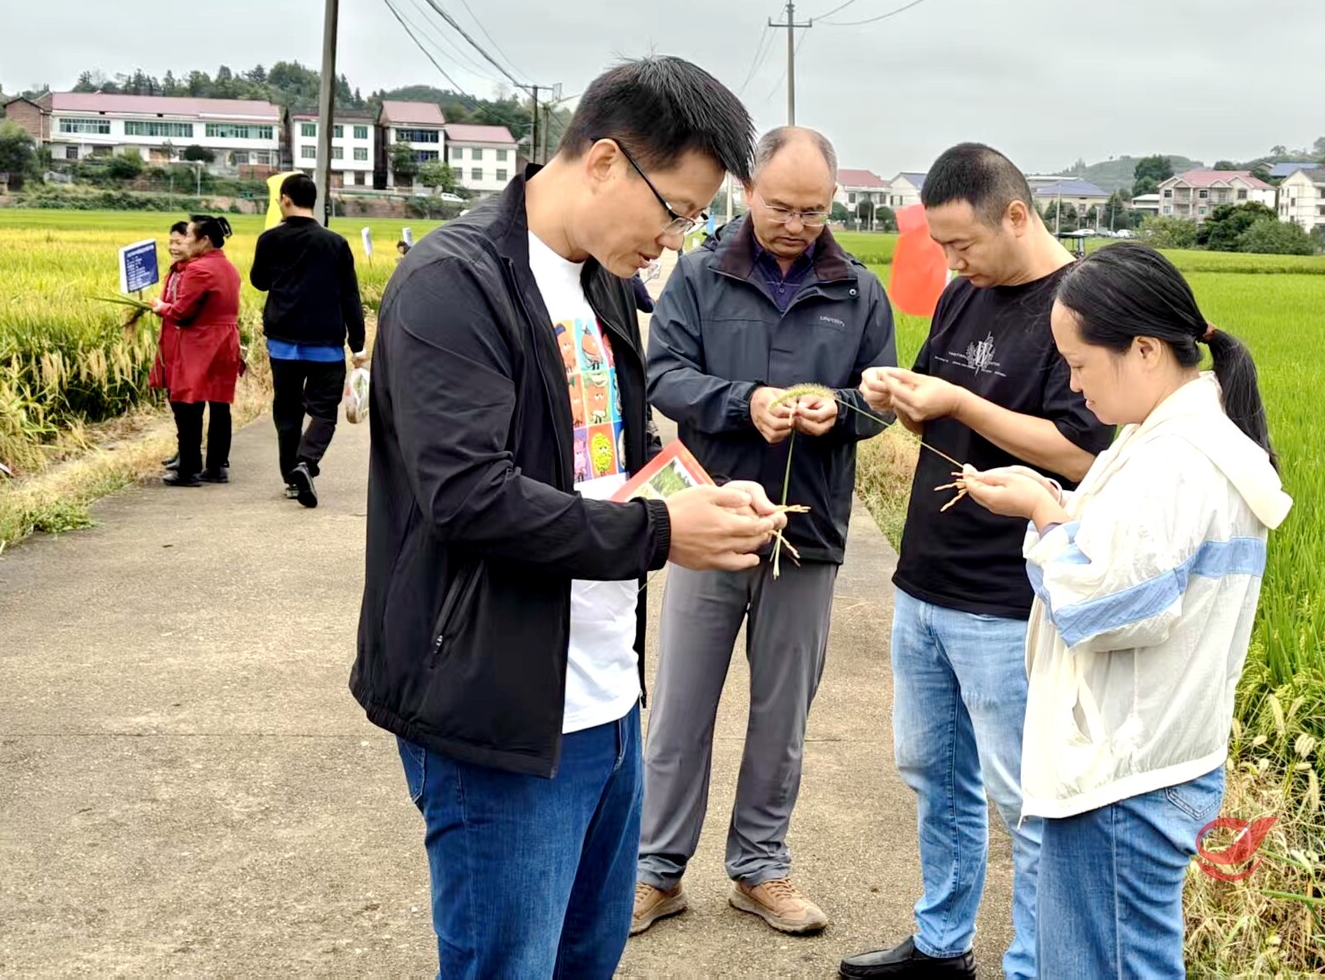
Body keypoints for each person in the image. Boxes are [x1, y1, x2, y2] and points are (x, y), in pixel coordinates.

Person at [351, 55, 791, 979]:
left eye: (695, 217)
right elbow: (470, 495)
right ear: (602, 162)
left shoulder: (598, 286)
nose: (678, 239)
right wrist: (669, 537)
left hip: (605, 695)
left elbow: (610, 460)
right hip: (496, 707)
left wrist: (694, 499)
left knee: (587, 960)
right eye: (675, 208)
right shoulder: (452, 284)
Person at [956, 243, 1290, 977]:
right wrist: (1062, 505)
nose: (1073, 388)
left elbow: (1108, 605)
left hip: (1124, 777)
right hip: (1152, 760)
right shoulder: (1172, 437)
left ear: (1143, 349)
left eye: (1080, 364)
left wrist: (1045, 513)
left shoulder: (1178, 460)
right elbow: (1136, 553)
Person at [841, 144, 1113, 980]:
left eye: (962, 244)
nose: (952, 263)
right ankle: (940, 944)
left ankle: (1035, 963)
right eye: (944, 247)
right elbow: (942, 417)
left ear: (1017, 216)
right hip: (926, 578)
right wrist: (905, 400)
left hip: (1009, 595)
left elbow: (1078, 451)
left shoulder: (1084, 306)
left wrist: (960, 400)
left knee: (1023, 797)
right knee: (934, 772)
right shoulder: (965, 294)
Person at [634, 127, 897, 937]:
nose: (797, 223)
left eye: (814, 211)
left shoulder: (858, 289)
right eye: (782, 206)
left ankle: (759, 866)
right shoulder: (700, 273)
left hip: (806, 528)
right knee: (679, 705)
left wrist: (838, 409)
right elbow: (665, 374)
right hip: (708, 519)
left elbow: (880, 396)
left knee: (783, 714)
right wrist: (743, 401)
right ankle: (655, 870)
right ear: (748, 191)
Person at [250, 173, 367, 508]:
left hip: (283, 342)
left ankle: (291, 476)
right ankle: (307, 461)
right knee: (324, 412)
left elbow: (259, 281)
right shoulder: (334, 243)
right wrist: (358, 345)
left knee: (287, 409)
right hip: (325, 344)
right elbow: (349, 296)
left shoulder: (270, 239)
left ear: (285, 199)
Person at [149, 215, 241, 487]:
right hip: (226, 341)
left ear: (205, 241)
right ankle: (216, 466)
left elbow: (181, 312)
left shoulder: (198, 270)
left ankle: (188, 468)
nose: (184, 241)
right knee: (219, 402)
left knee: (186, 403)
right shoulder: (228, 267)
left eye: (188, 236)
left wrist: (160, 307)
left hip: (202, 342)